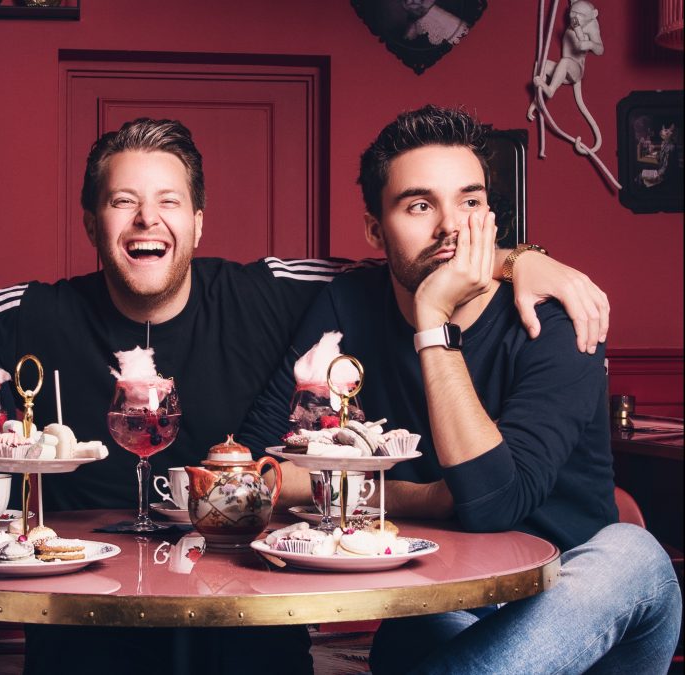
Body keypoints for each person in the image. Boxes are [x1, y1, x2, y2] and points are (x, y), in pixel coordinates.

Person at [0, 117, 611, 674]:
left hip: (247, 620)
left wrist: (524, 258)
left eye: (169, 201)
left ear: (199, 222)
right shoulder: (33, 314)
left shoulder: (269, 293)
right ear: (93, 223)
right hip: (85, 624)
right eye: (123, 202)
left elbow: (406, 263)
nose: (147, 220)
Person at [237, 105, 682, 674]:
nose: (451, 227)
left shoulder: (556, 320)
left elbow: (492, 503)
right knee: (420, 626)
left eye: (470, 202)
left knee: (632, 553)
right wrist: (417, 496)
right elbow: (255, 472)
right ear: (375, 229)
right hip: (449, 606)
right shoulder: (347, 305)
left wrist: (433, 322)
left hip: (577, 608)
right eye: (419, 206)